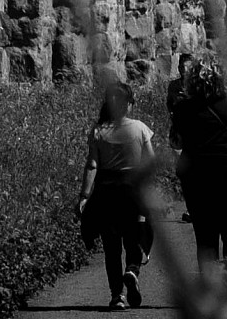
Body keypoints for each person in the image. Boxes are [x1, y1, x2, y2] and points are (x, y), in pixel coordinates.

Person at [169, 60, 227, 282]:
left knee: (205, 236)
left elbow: (176, 143)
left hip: (197, 178)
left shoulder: (182, 108)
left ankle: (210, 287)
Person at [78, 81, 157, 310]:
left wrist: (84, 195)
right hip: (132, 191)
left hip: (106, 192)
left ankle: (117, 296)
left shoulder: (98, 131)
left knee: (111, 247)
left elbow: (92, 165)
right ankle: (132, 269)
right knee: (135, 236)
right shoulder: (140, 128)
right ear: (129, 104)